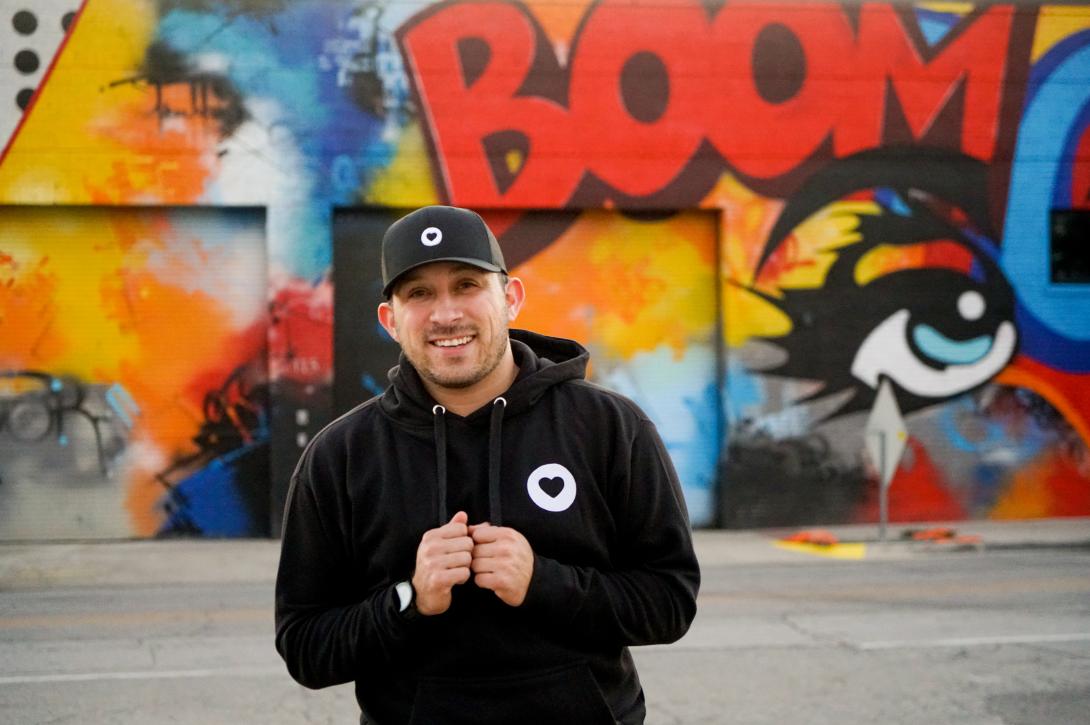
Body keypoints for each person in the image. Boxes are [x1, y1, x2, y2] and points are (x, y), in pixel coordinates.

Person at [275, 205, 700, 724]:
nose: (446, 314)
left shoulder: (610, 428)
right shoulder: (339, 456)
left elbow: (670, 602)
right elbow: (305, 648)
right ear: (390, 320)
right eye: (419, 293)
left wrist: (544, 583)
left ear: (511, 298)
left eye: (467, 285)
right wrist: (410, 598)